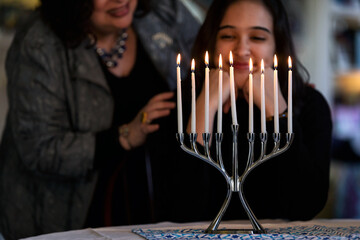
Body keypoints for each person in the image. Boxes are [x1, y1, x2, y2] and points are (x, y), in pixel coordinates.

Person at [0, 0, 200, 239]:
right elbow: (40, 149)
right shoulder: (39, 44)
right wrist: (125, 135)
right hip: (73, 218)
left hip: (160, 210)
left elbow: (212, 49)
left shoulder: (163, 11)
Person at [174, 0, 332, 222]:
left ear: (277, 44)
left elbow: (305, 206)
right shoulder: (181, 101)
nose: (241, 50)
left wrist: (276, 108)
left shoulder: (310, 105)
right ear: (211, 41)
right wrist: (205, 107)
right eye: (228, 36)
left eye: (258, 37)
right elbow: (182, 209)